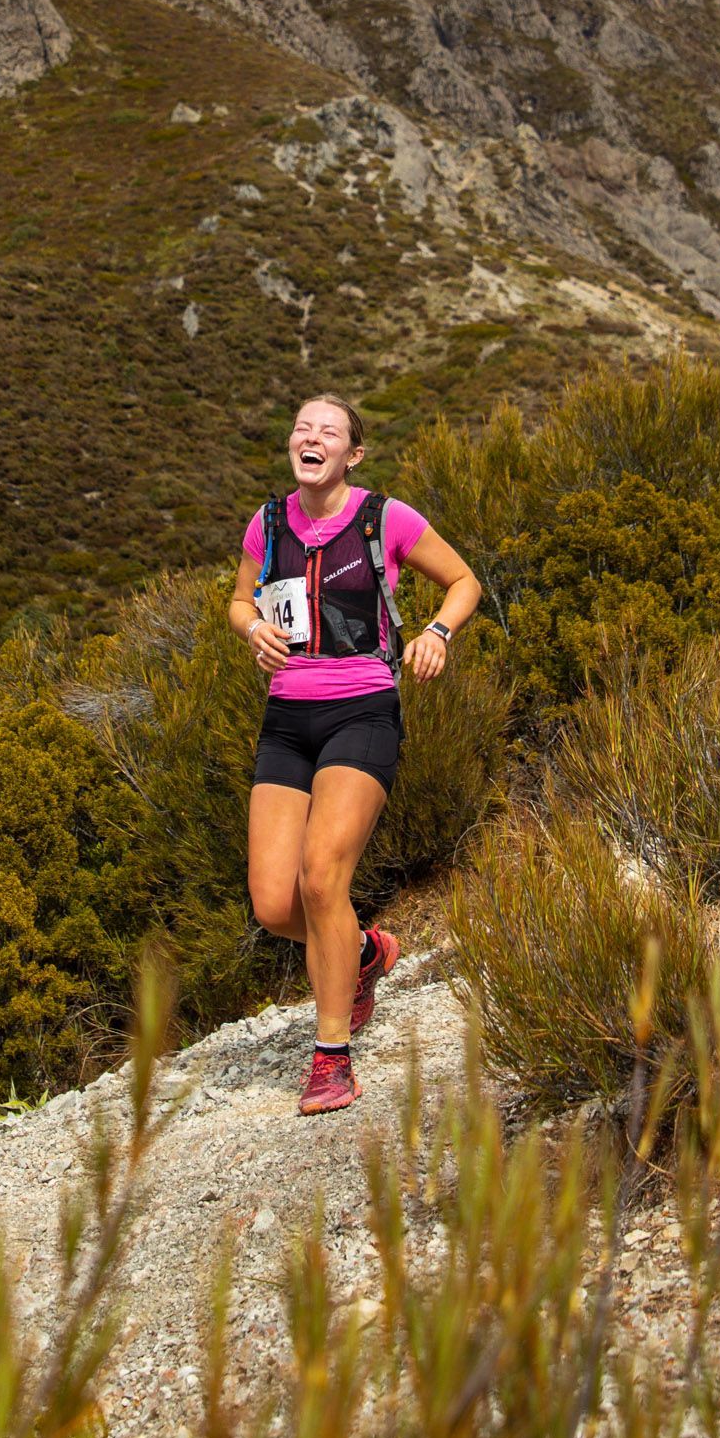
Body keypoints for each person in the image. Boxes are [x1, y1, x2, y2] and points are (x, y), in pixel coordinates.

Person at [230, 395, 482, 1114]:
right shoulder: (268, 521)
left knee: (321, 879)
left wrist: (435, 632)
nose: (312, 439)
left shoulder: (385, 519)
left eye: (329, 432)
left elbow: (463, 581)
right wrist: (250, 629)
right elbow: (238, 601)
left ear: (353, 454)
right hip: (286, 718)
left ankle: (330, 1057)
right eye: (303, 429)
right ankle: (366, 953)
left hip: (361, 709)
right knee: (275, 903)